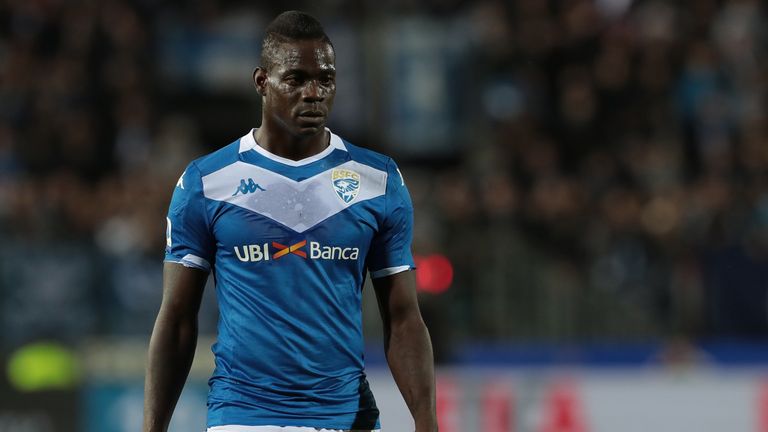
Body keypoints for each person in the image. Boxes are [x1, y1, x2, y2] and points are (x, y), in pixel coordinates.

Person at [142, 10, 437, 432]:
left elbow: (404, 317)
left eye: (326, 80)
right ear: (262, 82)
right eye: (296, 80)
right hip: (243, 415)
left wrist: (426, 421)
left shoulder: (378, 181)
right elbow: (176, 318)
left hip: (346, 417)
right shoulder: (206, 182)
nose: (314, 93)